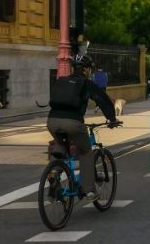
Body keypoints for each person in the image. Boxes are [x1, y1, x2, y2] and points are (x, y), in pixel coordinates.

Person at [47, 55, 119, 201]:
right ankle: (89, 190)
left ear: (73, 68)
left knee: (61, 145)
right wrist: (112, 119)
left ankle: (54, 173)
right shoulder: (86, 83)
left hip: (52, 121)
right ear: (86, 69)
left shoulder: (62, 81)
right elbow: (102, 100)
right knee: (85, 152)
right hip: (73, 122)